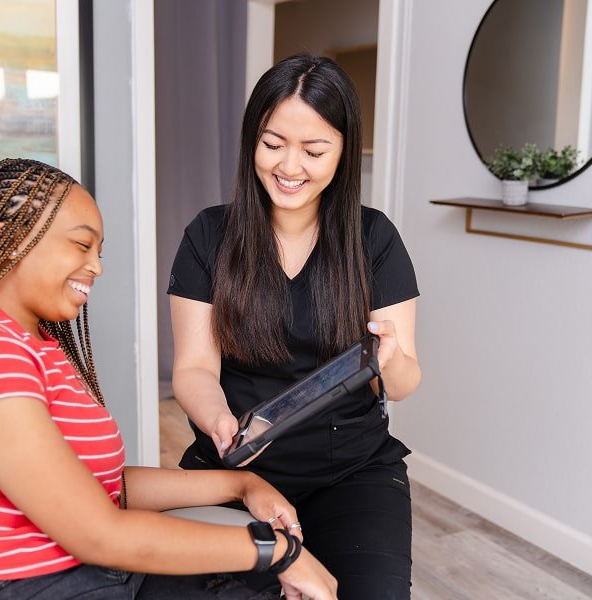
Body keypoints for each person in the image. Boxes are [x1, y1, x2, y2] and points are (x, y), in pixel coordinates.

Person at [0, 158, 337, 600]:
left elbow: (104, 486)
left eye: (98, 251)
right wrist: (278, 551)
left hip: (78, 573)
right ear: (9, 239)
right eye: (81, 245)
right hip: (10, 586)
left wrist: (241, 484)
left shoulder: (34, 345)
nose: (97, 267)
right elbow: (98, 533)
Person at [168, 55, 421, 599]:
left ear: (343, 151)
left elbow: (401, 384)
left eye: (314, 150)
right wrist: (220, 422)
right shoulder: (209, 236)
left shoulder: (374, 240)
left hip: (351, 471)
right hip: (231, 468)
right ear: (251, 142)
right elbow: (193, 368)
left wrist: (390, 354)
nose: (290, 166)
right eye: (272, 143)